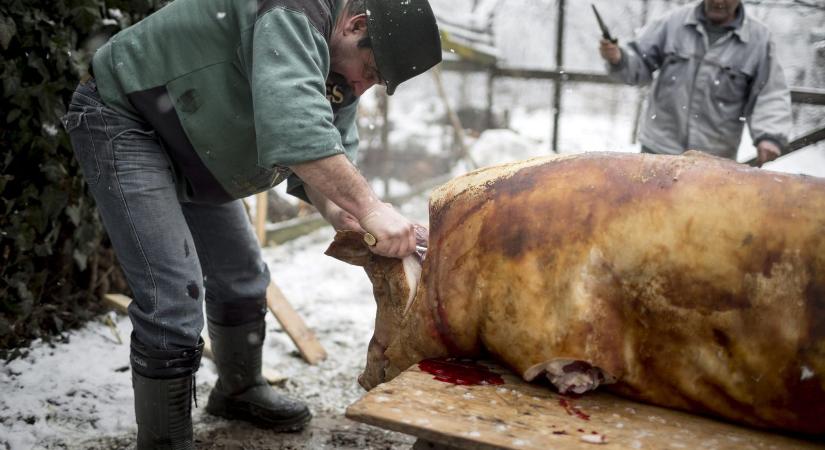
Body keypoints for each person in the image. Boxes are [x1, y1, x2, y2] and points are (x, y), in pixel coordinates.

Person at [61, 0, 441, 447]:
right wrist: (372, 206)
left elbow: (328, 152)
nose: (365, 86)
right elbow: (297, 128)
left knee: (242, 279)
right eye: (371, 70)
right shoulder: (297, 11)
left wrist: (352, 213)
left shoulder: (339, 70)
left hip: (195, 146)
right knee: (172, 302)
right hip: (128, 118)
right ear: (356, 25)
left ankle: (238, 390)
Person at [598, 0, 791, 165]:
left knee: (702, 210)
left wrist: (770, 135)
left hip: (715, 161)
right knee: (650, 207)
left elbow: (770, 92)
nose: (718, 1)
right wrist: (618, 58)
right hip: (658, 151)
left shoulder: (759, 39)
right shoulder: (674, 22)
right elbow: (639, 64)